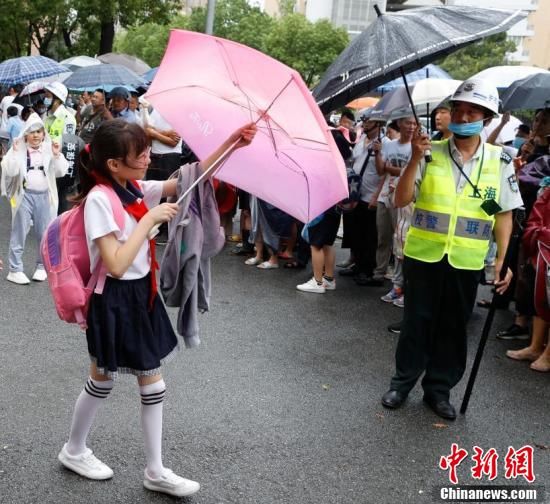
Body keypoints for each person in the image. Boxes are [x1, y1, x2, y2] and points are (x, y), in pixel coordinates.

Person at [57, 118, 256, 497]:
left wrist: (232, 144)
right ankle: (84, 452)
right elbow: (114, 264)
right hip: (113, 299)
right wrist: (149, 220)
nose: (149, 156)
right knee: (105, 382)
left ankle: (144, 466)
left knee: (140, 383)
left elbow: (187, 180)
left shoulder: (131, 189)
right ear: (114, 163)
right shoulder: (102, 199)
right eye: (141, 152)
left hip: (136, 297)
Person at [381, 78, 523, 420]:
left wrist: (502, 259)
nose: (461, 116)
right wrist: (414, 158)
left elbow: (499, 211)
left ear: (486, 118)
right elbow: (401, 200)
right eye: (457, 110)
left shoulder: (499, 161)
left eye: (471, 111)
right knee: (416, 323)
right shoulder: (430, 153)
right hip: (423, 256)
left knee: (452, 328)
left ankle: (439, 390)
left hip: (466, 259)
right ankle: (402, 383)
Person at [0, 113, 68, 284]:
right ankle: (15, 269)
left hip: (45, 196)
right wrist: (15, 153)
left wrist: (57, 155)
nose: (36, 135)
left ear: (44, 133)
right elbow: (11, 171)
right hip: (24, 196)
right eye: (32, 132)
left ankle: (41, 266)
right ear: (25, 134)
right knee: (19, 231)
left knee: (44, 233)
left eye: (39, 131)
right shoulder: (18, 149)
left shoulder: (49, 149)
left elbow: (61, 172)